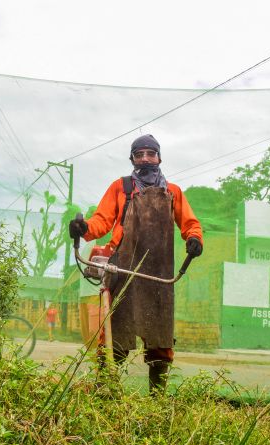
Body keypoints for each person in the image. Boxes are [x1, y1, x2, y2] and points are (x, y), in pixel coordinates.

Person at [68, 134, 203, 394]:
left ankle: (157, 398)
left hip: (158, 272)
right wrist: (84, 228)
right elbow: (102, 221)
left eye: (150, 153)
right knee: (115, 333)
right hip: (123, 268)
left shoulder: (172, 192)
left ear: (159, 157)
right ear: (132, 158)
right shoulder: (121, 187)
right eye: (139, 154)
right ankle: (104, 390)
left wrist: (194, 239)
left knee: (161, 337)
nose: (145, 158)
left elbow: (190, 223)